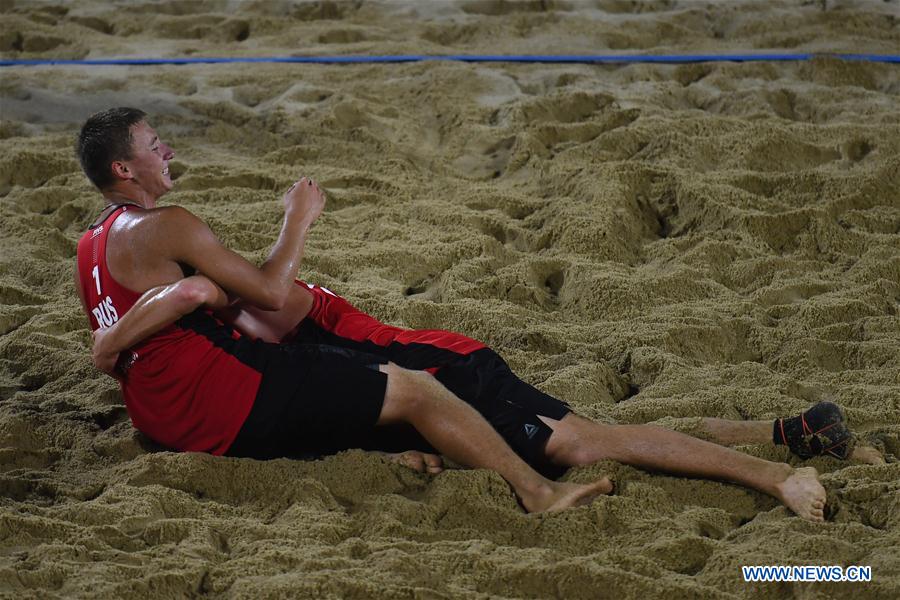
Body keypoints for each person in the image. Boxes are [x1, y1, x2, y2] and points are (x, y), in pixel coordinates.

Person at [74, 107, 859, 520]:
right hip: (384, 366)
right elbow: (235, 301)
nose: (168, 150)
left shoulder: (132, 261)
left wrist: (128, 334)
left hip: (443, 363)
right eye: (154, 143)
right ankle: (788, 433)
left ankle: (776, 473)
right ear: (123, 167)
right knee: (590, 430)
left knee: (582, 441)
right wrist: (283, 231)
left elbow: (243, 303)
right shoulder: (209, 281)